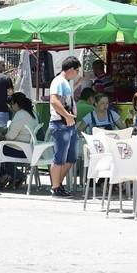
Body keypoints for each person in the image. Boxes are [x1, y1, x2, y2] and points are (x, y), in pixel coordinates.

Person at [0, 92, 38, 189]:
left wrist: (2, 136)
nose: (11, 107)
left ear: (16, 104)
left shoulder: (20, 114)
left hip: (19, 149)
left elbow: (10, 137)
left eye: (11, 104)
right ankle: (16, 175)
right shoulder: (32, 113)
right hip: (28, 148)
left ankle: (2, 176)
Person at [48, 56, 81, 198]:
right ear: (71, 69)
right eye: (77, 70)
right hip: (60, 124)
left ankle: (58, 184)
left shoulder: (65, 82)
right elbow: (54, 100)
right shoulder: (58, 81)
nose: (77, 73)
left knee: (70, 158)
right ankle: (56, 187)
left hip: (69, 124)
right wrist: (67, 116)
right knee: (59, 158)